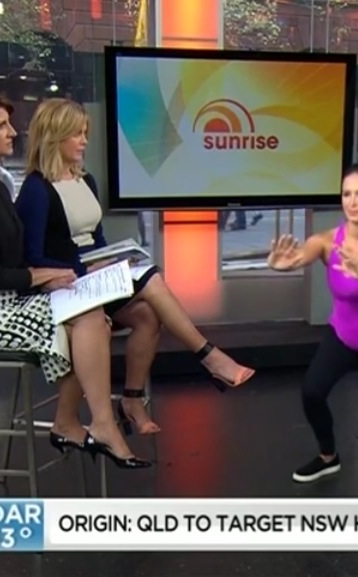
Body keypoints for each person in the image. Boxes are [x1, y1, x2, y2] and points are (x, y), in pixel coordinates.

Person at [0, 87, 151, 469]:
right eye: (1, 126)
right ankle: (94, 424)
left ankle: (75, 422)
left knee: (91, 316)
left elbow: (13, 259)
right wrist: (42, 276)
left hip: (5, 298)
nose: (12, 132)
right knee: (87, 320)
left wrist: (51, 273)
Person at [14, 98, 256, 434]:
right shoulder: (36, 189)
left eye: (85, 132)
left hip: (90, 279)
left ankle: (132, 399)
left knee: (147, 315)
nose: (84, 141)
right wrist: (85, 269)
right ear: (54, 136)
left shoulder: (85, 180)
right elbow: (32, 256)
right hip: (63, 289)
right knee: (152, 279)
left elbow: (95, 237)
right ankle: (209, 356)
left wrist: (111, 259)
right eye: (76, 134)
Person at [266, 163, 358, 499]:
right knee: (311, 392)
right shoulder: (325, 242)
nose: (352, 201)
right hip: (346, 335)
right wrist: (284, 265)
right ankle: (328, 457)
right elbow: (301, 256)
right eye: (347, 194)